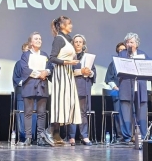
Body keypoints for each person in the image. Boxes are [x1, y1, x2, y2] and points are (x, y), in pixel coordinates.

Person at [42, 16, 81, 146]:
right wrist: (67, 62)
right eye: (69, 24)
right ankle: (49, 131)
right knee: (61, 104)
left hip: (68, 74)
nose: (71, 26)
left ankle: (56, 134)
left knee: (68, 104)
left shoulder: (68, 39)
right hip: (61, 74)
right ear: (63, 25)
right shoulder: (59, 39)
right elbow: (52, 58)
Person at [16, 32, 50, 146]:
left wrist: (46, 72)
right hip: (29, 85)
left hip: (42, 86)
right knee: (28, 113)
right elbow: (25, 69)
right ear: (31, 42)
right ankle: (28, 137)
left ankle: (40, 137)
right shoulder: (25, 55)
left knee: (41, 113)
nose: (39, 40)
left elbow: (50, 67)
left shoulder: (44, 55)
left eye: (40, 39)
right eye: (36, 39)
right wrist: (39, 74)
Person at [114, 32, 149, 143]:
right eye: (128, 42)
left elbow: (148, 69)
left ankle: (142, 136)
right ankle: (127, 137)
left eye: (132, 42)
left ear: (137, 44)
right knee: (126, 114)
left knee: (141, 113)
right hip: (126, 86)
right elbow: (116, 69)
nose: (129, 44)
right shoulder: (121, 54)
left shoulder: (143, 54)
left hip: (140, 87)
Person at [68, 34, 96, 146]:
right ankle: (71, 136)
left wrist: (90, 72)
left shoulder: (88, 57)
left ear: (83, 44)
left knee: (83, 113)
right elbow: (67, 72)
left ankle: (84, 136)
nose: (78, 43)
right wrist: (81, 71)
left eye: (80, 42)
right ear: (73, 44)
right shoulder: (70, 57)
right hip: (73, 87)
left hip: (84, 87)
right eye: (76, 42)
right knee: (72, 112)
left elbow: (93, 72)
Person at [104, 42, 127, 142]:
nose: (121, 51)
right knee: (118, 114)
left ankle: (130, 135)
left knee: (130, 114)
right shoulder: (113, 64)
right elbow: (109, 78)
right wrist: (115, 87)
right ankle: (121, 136)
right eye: (120, 50)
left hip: (128, 94)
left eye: (123, 49)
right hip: (117, 93)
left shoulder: (129, 63)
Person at [12, 42, 30, 143]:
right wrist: (27, 81)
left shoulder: (35, 63)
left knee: (33, 116)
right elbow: (16, 79)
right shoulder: (18, 64)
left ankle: (32, 137)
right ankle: (22, 137)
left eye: (28, 51)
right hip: (21, 94)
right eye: (24, 51)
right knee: (22, 116)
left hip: (33, 94)